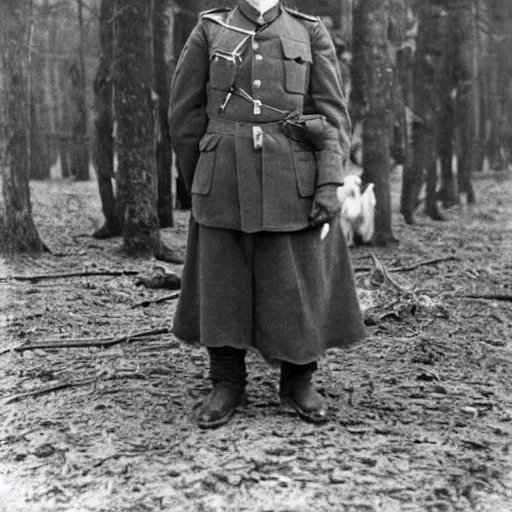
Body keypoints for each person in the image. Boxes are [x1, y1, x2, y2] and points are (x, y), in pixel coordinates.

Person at [169, 0, 367, 429]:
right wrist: (202, 175)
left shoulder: (309, 32)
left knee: (296, 280)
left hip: (292, 180)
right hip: (223, 176)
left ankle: (299, 382)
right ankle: (226, 382)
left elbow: (332, 114)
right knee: (223, 281)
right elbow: (184, 115)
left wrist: (330, 182)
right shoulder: (210, 30)